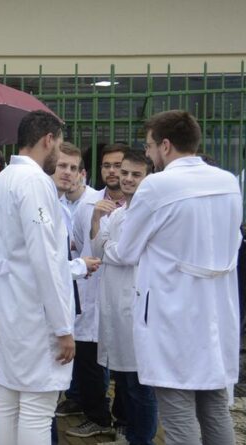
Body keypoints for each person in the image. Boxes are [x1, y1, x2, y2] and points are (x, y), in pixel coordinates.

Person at [114, 110, 241, 445]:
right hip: (216, 313)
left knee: (177, 409)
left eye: (150, 146)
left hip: (172, 314)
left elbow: (126, 251)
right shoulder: (228, 182)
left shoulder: (157, 186)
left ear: (166, 145)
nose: (150, 154)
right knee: (214, 406)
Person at [0, 110, 75, 444]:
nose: (60, 153)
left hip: (7, 306)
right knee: (38, 406)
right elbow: (45, 258)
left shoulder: (3, 180)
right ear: (48, 140)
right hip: (34, 312)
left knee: (7, 397)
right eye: (60, 144)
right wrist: (63, 326)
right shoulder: (35, 182)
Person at [90, 149, 158, 445]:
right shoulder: (116, 214)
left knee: (140, 383)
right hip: (115, 304)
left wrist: (108, 247)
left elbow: (125, 254)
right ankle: (129, 433)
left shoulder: (151, 213)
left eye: (136, 174)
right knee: (122, 378)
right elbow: (98, 250)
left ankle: (141, 438)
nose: (127, 179)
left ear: (148, 178)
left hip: (138, 303)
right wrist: (105, 242)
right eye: (125, 172)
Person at [61, 144, 128, 438]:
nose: (112, 172)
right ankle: (98, 417)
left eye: (118, 166)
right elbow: (77, 242)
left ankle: (124, 420)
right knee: (89, 361)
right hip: (90, 295)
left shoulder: (140, 205)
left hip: (125, 296)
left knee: (125, 367)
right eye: (106, 166)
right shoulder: (88, 204)